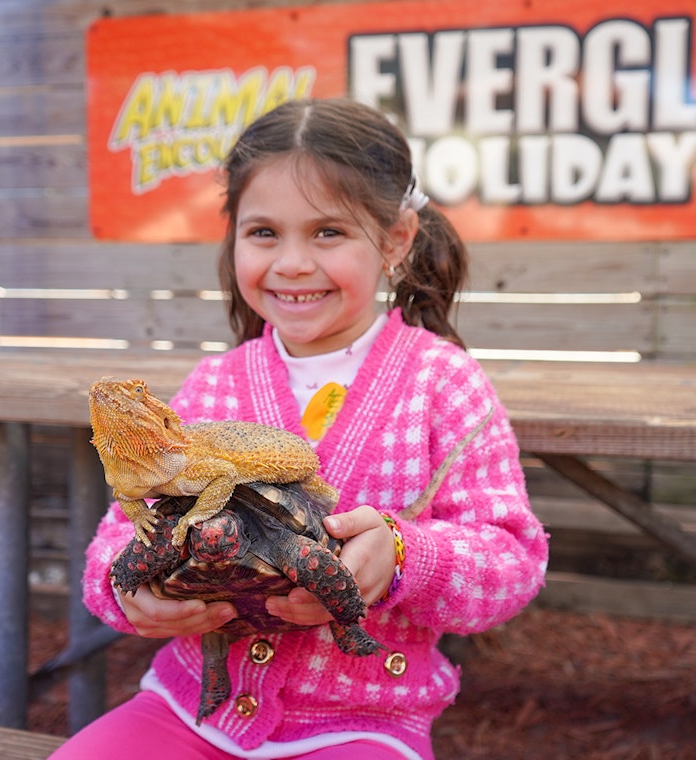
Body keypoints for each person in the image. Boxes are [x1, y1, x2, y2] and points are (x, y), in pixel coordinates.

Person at [53, 98, 549, 760]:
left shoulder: (445, 384)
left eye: (327, 233)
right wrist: (127, 592)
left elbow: (512, 560)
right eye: (264, 233)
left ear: (396, 239)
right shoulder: (213, 385)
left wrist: (404, 556)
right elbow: (119, 536)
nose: (290, 263)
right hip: (186, 708)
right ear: (232, 238)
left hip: (363, 724)